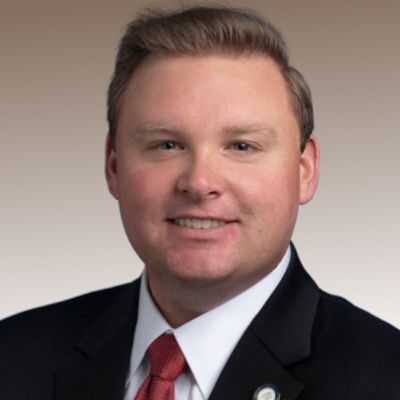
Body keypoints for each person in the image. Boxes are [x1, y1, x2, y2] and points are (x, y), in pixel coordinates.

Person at [1, 5, 399, 400]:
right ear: (114, 166)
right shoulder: (12, 356)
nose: (199, 182)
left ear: (304, 171)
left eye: (241, 146)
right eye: (166, 145)